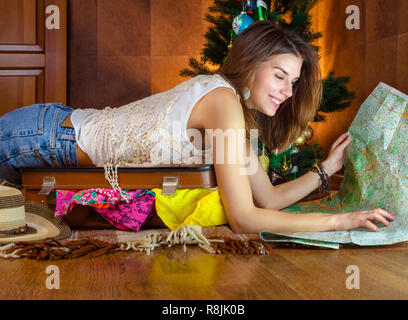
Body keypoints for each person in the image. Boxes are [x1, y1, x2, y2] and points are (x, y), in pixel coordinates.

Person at [0, 21, 394, 234]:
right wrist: (340, 221)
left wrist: (327, 167)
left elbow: (267, 200)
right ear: (253, 63)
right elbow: (244, 219)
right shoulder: (223, 102)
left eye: (293, 82)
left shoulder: (234, 110)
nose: (288, 92)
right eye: (279, 76)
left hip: (54, 127)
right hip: (45, 137)